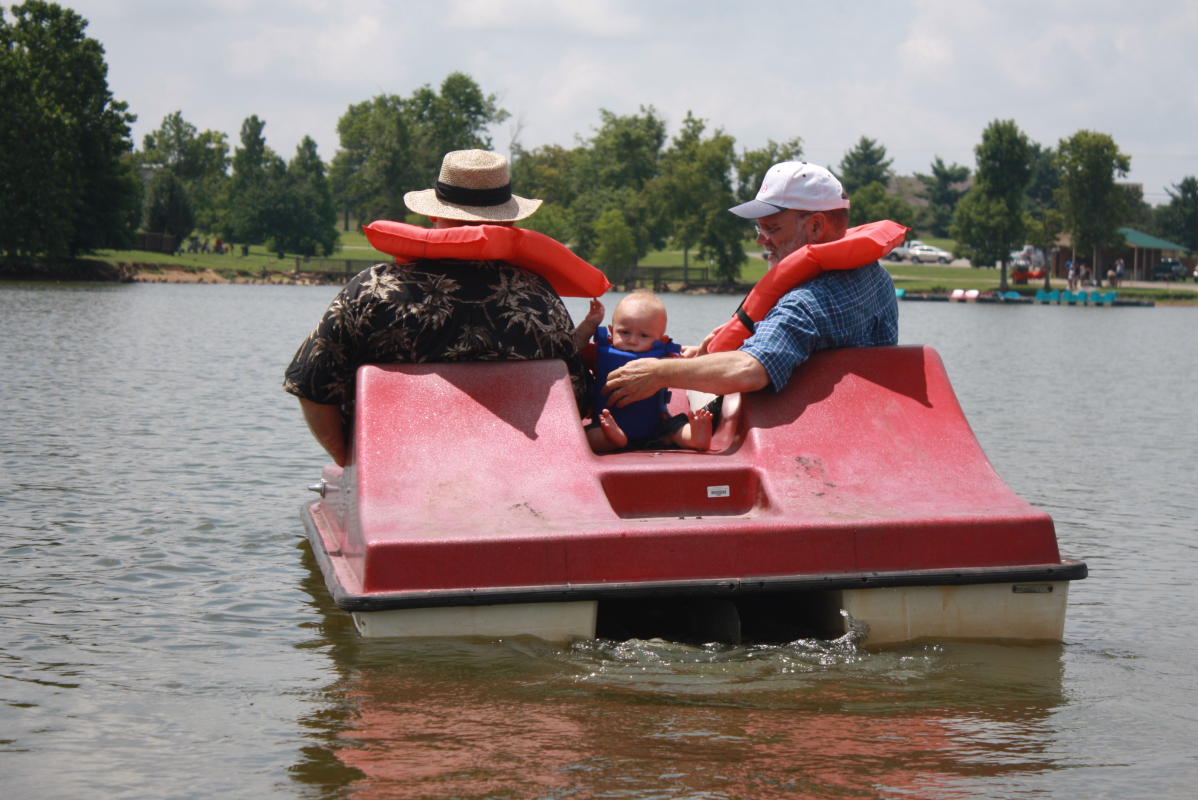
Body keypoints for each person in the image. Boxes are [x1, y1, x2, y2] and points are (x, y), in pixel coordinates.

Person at [283, 149, 590, 466]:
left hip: (395, 474)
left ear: (433, 213)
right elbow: (576, 400)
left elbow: (311, 384)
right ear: (508, 220)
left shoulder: (369, 290)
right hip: (515, 475)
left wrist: (349, 463)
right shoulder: (540, 298)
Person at [602, 161, 898, 413]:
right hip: (863, 417)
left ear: (816, 227)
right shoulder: (874, 276)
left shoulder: (809, 301)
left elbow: (751, 369)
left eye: (772, 228)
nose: (760, 240)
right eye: (760, 228)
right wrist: (698, 355)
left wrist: (658, 372)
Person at [574, 292, 713, 452]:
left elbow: (689, 370)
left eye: (644, 335)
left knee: (677, 429)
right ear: (612, 331)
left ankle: (695, 437)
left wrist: (702, 353)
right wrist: (590, 325)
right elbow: (575, 348)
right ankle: (613, 438)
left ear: (661, 340)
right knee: (586, 437)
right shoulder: (600, 353)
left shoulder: (665, 357)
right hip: (609, 422)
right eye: (624, 332)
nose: (632, 340)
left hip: (657, 425)